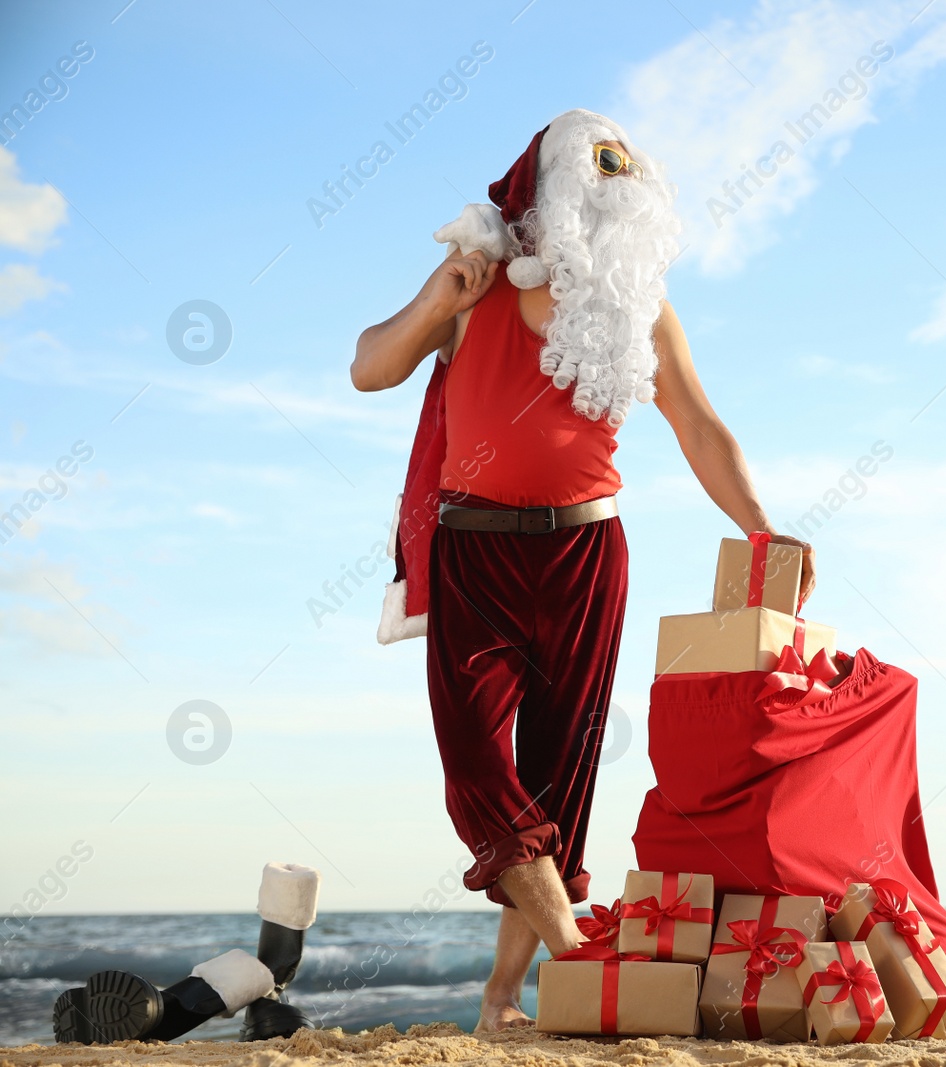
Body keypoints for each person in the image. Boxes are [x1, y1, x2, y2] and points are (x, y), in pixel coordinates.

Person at [350, 108, 814, 1033]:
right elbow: (369, 367)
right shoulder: (476, 280)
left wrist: (766, 530)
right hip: (474, 546)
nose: (602, 203)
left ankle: (500, 1000)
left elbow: (696, 423)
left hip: (587, 552)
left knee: (560, 777)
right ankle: (577, 951)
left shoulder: (639, 307)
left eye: (618, 185)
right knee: (477, 765)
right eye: (586, 182)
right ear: (545, 193)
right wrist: (438, 299)